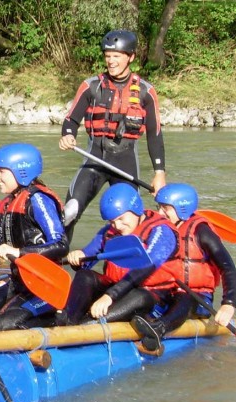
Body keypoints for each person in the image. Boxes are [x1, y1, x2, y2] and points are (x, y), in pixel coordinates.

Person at [59, 29, 166, 240]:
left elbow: (155, 134)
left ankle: (126, 266)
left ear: (131, 57)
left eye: (116, 56)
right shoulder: (90, 86)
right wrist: (68, 134)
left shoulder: (146, 92)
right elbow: (71, 119)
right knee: (69, 212)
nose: (111, 61)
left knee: (129, 220)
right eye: (108, 56)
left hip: (125, 162)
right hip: (94, 159)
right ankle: (57, 257)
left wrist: (159, 173)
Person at [131, 183, 236, 352]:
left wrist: (229, 304)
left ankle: (158, 330)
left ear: (182, 209)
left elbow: (228, 267)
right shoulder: (159, 229)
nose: (160, 213)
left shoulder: (202, 232)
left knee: (186, 298)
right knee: (143, 298)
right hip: (167, 293)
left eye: (166, 208)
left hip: (196, 298)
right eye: (159, 207)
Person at [59, 182, 178, 326]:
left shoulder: (162, 230)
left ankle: (85, 326)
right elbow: (88, 257)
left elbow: (147, 266)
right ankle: (69, 321)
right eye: (112, 221)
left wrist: (110, 296)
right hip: (117, 291)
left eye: (121, 219)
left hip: (150, 297)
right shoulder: (110, 231)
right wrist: (78, 257)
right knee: (86, 276)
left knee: (140, 296)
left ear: (136, 209)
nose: (118, 226)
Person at [0, 143, 69, 331]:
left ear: (21, 172)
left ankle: (57, 320)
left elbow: (62, 244)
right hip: (19, 283)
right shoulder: (7, 204)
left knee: (4, 325)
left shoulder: (38, 200)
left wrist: (18, 252)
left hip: (43, 287)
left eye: (2, 171)